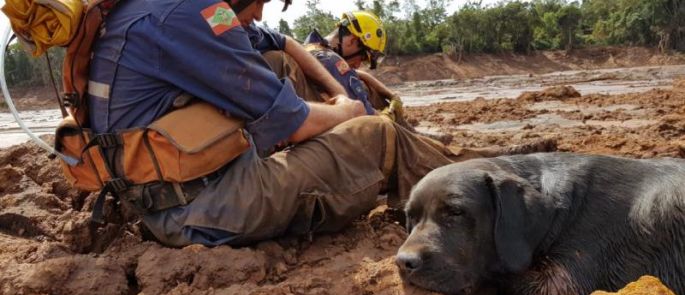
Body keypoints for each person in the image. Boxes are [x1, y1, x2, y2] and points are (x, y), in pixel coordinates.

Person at [86, 0, 468, 247]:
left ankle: (462, 168)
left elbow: (279, 41)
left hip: (162, 199)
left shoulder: (169, 8)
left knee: (274, 61)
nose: (262, 12)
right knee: (378, 134)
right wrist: (348, 112)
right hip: (197, 211)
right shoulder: (193, 15)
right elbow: (295, 123)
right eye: (262, 0)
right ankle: (474, 194)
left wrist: (338, 93)